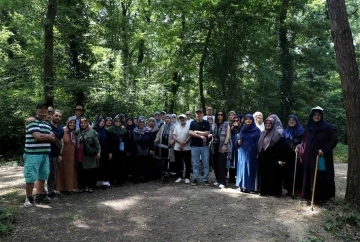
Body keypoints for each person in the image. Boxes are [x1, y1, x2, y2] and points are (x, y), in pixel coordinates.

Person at [299, 106, 338, 206]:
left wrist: (324, 150)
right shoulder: (308, 128)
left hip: (322, 156)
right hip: (309, 157)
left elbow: (333, 140)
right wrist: (301, 154)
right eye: (315, 115)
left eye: (318, 115)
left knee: (322, 177)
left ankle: (324, 199)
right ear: (312, 116)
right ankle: (309, 197)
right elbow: (304, 142)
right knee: (309, 176)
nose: (316, 117)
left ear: (321, 116)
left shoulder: (328, 128)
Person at [23, 102, 55, 207]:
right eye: (40, 108)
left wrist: (49, 137)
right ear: (36, 110)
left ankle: (38, 196)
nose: (43, 110)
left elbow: (53, 139)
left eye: (45, 109)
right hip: (32, 154)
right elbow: (37, 137)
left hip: (45, 154)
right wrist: (49, 137)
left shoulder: (47, 124)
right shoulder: (32, 122)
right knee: (31, 176)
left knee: (43, 176)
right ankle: (28, 198)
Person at [257, 116, 286, 197]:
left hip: (274, 159)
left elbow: (281, 148)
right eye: (266, 123)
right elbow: (260, 145)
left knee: (274, 175)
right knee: (263, 175)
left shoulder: (278, 134)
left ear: (273, 124)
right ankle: (263, 191)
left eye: (270, 123)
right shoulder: (262, 133)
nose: (268, 125)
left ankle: (273, 192)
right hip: (263, 157)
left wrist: (281, 159)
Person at [236, 114, 261, 193]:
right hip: (242, 152)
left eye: (250, 119)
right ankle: (243, 186)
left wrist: (258, 152)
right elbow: (237, 140)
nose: (248, 120)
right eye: (246, 119)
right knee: (242, 169)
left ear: (252, 120)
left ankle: (251, 187)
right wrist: (238, 142)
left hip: (252, 153)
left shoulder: (257, 130)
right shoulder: (243, 129)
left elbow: (259, 142)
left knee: (250, 169)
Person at [76, 118, 101, 193]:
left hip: (90, 154)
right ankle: (83, 186)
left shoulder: (92, 132)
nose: (83, 124)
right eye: (81, 123)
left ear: (87, 123)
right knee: (82, 171)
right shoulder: (78, 132)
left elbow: (97, 143)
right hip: (80, 154)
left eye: (85, 123)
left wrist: (99, 152)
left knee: (91, 171)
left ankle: (91, 186)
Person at [282, 115, 304, 196]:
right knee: (288, 172)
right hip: (287, 155)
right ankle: (289, 190)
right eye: (290, 120)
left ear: (296, 121)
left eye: (293, 120)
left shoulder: (301, 131)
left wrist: (299, 146)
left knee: (297, 172)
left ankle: (297, 190)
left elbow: (304, 142)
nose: (291, 121)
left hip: (297, 155)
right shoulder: (285, 132)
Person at [55, 117, 78, 195]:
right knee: (62, 171)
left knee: (71, 171)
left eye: (73, 123)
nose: (72, 124)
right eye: (70, 123)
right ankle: (62, 189)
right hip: (63, 154)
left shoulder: (74, 132)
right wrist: (59, 154)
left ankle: (69, 188)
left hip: (72, 154)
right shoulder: (63, 130)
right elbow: (59, 142)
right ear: (67, 123)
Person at [189, 108, 211, 186]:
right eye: (197, 113)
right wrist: (200, 137)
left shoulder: (206, 122)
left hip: (204, 146)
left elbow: (207, 133)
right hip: (194, 146)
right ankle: (195, 178)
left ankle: (205, 179)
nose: (199, 115)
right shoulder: (192, 123)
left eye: (200, 113)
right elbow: (190, 133)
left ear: (202, 114)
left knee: (205, 163)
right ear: (195, 114)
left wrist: (197, 132)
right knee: (195, 164)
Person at [46, 110, 64, 199]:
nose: (58, 118)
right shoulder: (46, 125)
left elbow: (61, 141)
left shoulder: (61, 128)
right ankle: (40, 193)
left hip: (55, 154)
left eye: (60, 116)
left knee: (52, 174)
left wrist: (60, 154)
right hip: (45, 153)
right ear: (52, 116)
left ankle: (50, 191)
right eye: (56, 116)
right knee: (42, 174)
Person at [107, 115, 130, 186]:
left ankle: (121, 180)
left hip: (122, 151)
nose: (118, 122)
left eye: (119, 121)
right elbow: (108, 142)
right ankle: (114, 180)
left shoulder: (124, 130)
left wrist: (127, 151)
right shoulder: (110, 130)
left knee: (122, 165)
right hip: (114, 151)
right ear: (114, 122)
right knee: (114, 165)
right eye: (116, 121)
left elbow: (127, 141)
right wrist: (110, 152)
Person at [130, 118, 154, 183]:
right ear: (137, 123)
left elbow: (152, 141)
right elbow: (131, 141)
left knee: (145, 164)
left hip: (146, 150)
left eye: (142, 122)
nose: (141, 123)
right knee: (136, 164)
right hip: (137, 150)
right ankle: (137, 178)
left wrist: (152, 149)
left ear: (144, 123)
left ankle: (145, 178)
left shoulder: (148, 131)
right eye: (139, 122)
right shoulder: (134, 131)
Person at [211, 111, 231, 189]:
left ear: (223, 115)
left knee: (221, 164)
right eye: (218, 114)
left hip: (222, 146)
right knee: (215, 164)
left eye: (221, 114)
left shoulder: (226, 124)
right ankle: (218, 180)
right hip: (214, 146)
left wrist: (225, 145)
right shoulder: (214, 124)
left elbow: (228, 135)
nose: (220, 116)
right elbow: (213, 134)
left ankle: (223, 182)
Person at [172, 114, 192, 184]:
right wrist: (180, 143)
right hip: (177, 148)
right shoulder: (176, 126)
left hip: (187, 148)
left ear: (186, 119)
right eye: (180, 118)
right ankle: (179, 176)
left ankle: (187, 177)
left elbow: (190, 135)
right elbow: (174, 136)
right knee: (178, 163)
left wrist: (184, 143)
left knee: (188, 163)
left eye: (183, 118)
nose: (182, 119)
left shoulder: (189, 126)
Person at [93, 117, 111, 189]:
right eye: (101, 121)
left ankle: (105, 183)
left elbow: (109, 142)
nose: (102, 122)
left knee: (104, 167)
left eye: (103, 121)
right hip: (95, 151)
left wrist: (110, 152)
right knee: (95, 167)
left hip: (105, 151)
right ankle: (94, 182)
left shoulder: (106, 131)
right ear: (98, 122)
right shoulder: (93, 130)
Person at [228, 116, 242, 184]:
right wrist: (232, 128)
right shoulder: (230, 127)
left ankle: (239, 177)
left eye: (237, 120)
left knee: (239, 162)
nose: (235, 122)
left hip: (239, 148)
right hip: (232, 147)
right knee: (231, 162)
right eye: (234, 121)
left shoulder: (242, 128)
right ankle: (231, 178)